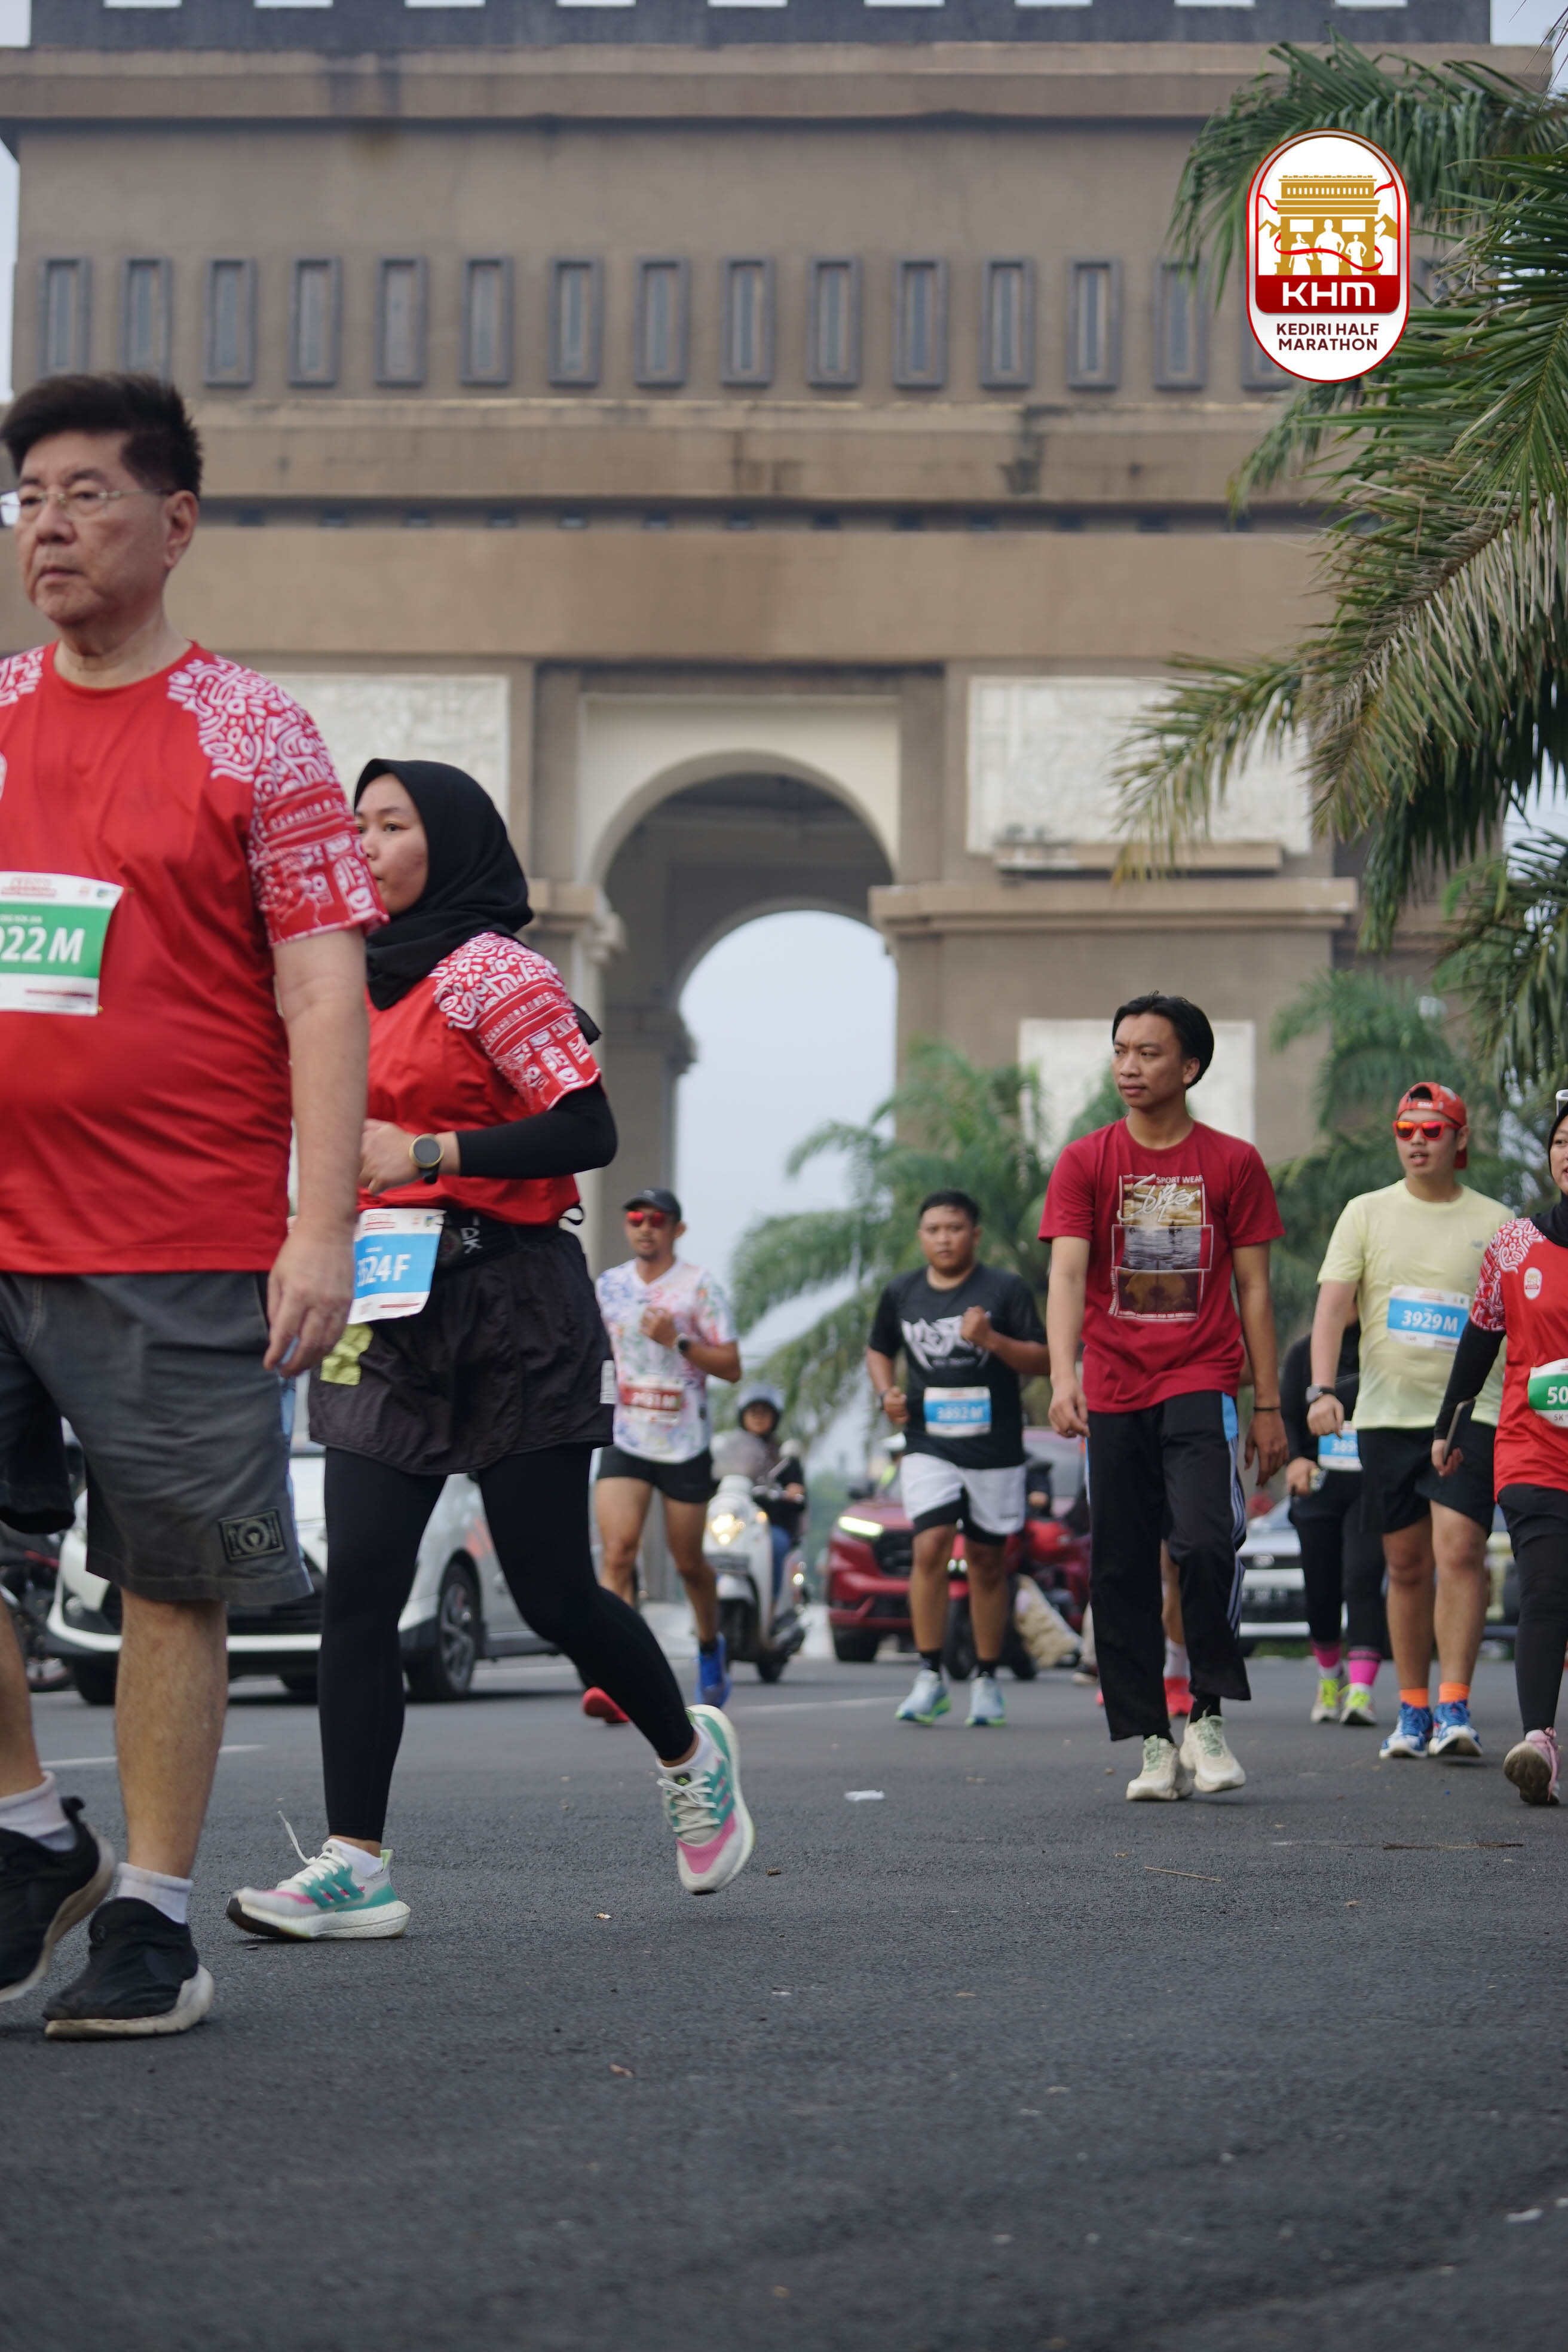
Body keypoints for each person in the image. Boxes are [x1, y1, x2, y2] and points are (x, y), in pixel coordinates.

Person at [0, 373, 376, 2035]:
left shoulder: (253, 734)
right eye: (29, 498)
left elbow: (323, 989)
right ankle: (31, 1830)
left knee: (174, 1574)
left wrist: (320, 1224)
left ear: (175, 522)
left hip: (174, 1237)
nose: (49, 527)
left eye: (86, 494)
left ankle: (151, 1914)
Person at [228, 762, 754, 1937]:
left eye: (392, 824)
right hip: (383, 1309)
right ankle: (354, 1862)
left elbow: (588, 1126)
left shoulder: (493, 972)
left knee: (556, 1590)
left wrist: (432, 1153)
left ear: (453, 841)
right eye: (354, 824)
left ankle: (687, 1754)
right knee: (360, 1591)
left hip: (512, 1303)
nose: (364, 843)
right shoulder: (330, 980)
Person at [1043, 993, 1287, 1800]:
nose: (1129, 1066)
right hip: (1113, 1386)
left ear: (1188, 1067)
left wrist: (1267, 1405)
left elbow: (1255, 1290)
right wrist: (1064, 1376)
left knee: (1207, 1544)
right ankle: (1153, 1740)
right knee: (1118, 1567)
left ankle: (1206, 1719)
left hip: (1200, 1379)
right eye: (1120, 1050)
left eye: (1148, 1053)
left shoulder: (1232, 1162)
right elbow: (1067, 1274)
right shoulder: (1085, 1160)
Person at [1309, 1083, 1508, 1763]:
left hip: (1470, 1413)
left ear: (1460, 1139)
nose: (1417, 1142)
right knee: (1404, 1563)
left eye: (1432, 1130)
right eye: (1405, 1131)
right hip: (1386, 1415)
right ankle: (1413, 1709)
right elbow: (1331, 1309)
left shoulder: (1498, 1221)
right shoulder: (1365, 1212)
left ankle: (1454, 1706)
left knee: (1460, 1551)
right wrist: (1319, 1390)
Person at [866, 1190, 1050, 1730]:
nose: (943, 1238)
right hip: (929, 1443)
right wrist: (887, 1393)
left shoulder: (1004, 1290)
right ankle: (929, 1675)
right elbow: (879, 1349)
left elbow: (1043, 1359)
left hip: (994, 1447)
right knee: (930, 1547)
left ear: (975, 1235)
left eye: (954, 1228)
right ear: (921, 1236)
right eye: (933, 1229)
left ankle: (987, 1678)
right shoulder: (902, 1292)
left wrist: (991, 1338)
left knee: (988, 1562)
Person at [1432, 1093, 1568, 1805]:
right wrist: (1447, 1426)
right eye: (1561, 1142)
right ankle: (1538, 1742)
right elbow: (1480, 1336)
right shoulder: (1513, 1246)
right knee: (1543, 1587)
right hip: (1532, 1447)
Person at [594, 1192, 742, 1707]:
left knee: (688, 1563)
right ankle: (613, 1674)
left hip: (684, 1442)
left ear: (677, 1230)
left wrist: (677, 1341)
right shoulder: (610, 1286)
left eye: (657, 1220)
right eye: (636, 1218)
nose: (645, 1227)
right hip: (626, 1435)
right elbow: (594, 1352)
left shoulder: (699, 1287)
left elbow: (732, 1366)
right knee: (618, 1553)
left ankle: (710, 1646)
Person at [1280, 1323, 1388, 1725]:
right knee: (1321, 1588)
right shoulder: (1304, 1352)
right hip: (1318, 1486)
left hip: (1369, 1486)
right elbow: (1286, 1414)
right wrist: (1295, 1458)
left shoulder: (1382, 1347)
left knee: (1362, 1579)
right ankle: (1330, 1678)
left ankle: (1361, 1690)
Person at [734, 1382, 807, 1597]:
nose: (759, 1417)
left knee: (775, 1545)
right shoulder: (730, 1452)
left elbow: (799, 1494)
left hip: (772, 1526)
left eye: (765, 1413)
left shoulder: (786, 1456)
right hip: (735, 1525)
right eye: (753, 1412)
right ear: (743, 1416)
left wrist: (794, 1493)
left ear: (775, 1417)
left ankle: (770, 1604)